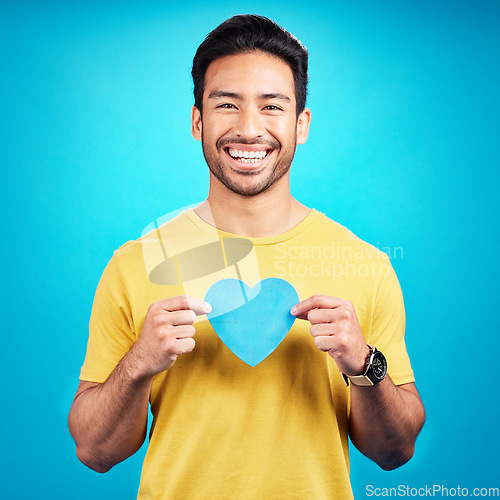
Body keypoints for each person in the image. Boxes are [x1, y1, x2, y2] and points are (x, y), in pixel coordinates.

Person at [68, 14, 425, 499]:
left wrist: (362, 362)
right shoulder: (136, 263)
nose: (249, 128)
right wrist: (139, 363)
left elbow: (395, 450)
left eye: (272, 106)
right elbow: (94, 451)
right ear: (198, 120)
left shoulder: (364, 265)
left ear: (301, 125)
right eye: (227, 105)